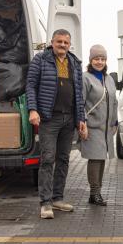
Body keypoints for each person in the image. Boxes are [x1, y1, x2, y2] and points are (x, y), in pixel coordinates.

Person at [26, 29, 86, 219]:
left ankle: (58, 199)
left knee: (63, 159)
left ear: (70, 44)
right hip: (49, 119)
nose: (62, 45)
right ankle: (45, 203)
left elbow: (79, 95)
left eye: (65, 42)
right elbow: (30, 85)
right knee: (48, 159)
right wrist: (32, 110)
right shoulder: (41, 60)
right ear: (52, 42)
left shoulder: (75, 63)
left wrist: (81, 119)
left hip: (69, 119)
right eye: (58, 41)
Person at [79, 44, 118, 206]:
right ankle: (94, 193)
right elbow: (80, 102)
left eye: (102, 59)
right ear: (90, 60)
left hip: (106, 128)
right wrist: (83, 123)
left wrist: (115, 122)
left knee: (101, 159)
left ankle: (96, 192)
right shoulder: (85, 77)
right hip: (92, 127)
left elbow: (114, 102)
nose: (99, 62)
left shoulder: (108, 78)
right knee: (95, 159)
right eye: (96, 59)